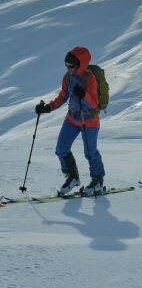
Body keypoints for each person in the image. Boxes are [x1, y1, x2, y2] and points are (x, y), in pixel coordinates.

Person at [35, 47, 106, 196]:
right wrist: (48, 107)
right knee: (61, 148)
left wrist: (83, 95)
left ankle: (98, 180)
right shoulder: (68, 77)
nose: (68, 69)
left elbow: (94, 104)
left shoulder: (90, 78)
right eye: (66, 66)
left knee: (90, 152)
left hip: (89, 120)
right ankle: (73, 177)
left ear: (80, 63)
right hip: (72, 119)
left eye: (71, 66)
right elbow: (63, 96)